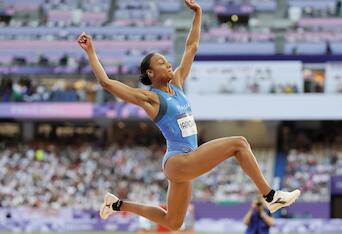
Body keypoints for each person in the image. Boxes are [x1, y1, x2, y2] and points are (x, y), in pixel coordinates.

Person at [77, 0, 300, 231]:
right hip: (178, 160)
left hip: (185, 161)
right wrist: (91, 52)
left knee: (173, 222)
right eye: (162, 63)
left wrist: (198, 13)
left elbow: (191, 46)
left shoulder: (178, 84)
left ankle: (116, 204)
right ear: (151, 73)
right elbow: (107, 82)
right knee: (239, 143)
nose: (168, 64)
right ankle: (271, 196)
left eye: (167, 60)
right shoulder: (151, 98)